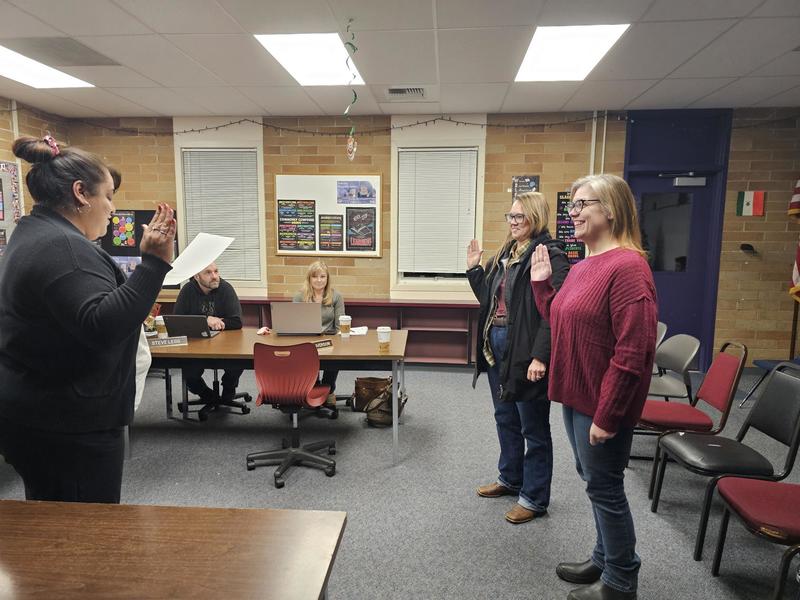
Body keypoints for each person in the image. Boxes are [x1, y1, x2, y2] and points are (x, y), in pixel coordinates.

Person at [0, 135, 175, 503]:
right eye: (108, 195)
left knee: (52, 513)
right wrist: (155, 263)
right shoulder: (63, 247)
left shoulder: (36, 233)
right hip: (67, 425)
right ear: (81, 193)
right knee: (81, 529)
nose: (112, 208)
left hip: (40, 414)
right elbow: (103, 325)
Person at [530, 174, 658, 600]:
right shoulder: (585, 265)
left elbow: (633, 352)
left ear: (612, 210)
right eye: (573, 206)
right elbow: (561, 316)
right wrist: (542, 286)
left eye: (583, 204)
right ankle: (603, 558)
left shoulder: (628, 268)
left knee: (605, 487)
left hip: (602, 402)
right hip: (575, 394)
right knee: (592, 477)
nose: (574, 213)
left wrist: (608, 415)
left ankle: (621, 580)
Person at [467, 192, 570, 524]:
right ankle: (510, 478)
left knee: (533, 427)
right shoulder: (505, 254)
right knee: (505, 417)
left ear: (536, 218)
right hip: (496, 346)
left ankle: (535, 496)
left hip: (526, 352)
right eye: (509, 217)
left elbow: (552, 313)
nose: (512, 223)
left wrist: (541, 356)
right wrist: (474, 272)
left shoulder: (550, 257)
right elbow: (489, 300)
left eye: (519, 217)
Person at [173, 262, 243, 405]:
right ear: (196, 276)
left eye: (216, 271)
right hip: (197, 344)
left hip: (225, 344)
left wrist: (217, 322)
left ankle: (228, 388)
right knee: (189, 372)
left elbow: (237, 321)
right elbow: (177, 321)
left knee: (238, 362)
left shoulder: (226, 289)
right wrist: (206, 320)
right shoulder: (187, 290)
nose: (215, 276)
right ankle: (207, 394)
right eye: (208, 273)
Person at [293, 261, 344, 407]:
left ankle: (329, 390)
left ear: (327, 278)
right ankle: (313, 389)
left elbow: (340, 325)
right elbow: (293, 323)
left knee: (335, 357)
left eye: (323, 276)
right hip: (306, 340)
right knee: (307, 356)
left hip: (329, 340)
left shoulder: (336, 296)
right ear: (309, 278)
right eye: (315, 277)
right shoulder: (299, 296)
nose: (319, 280)